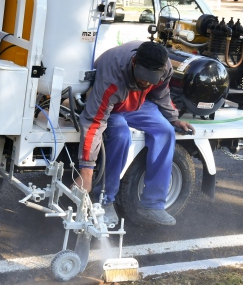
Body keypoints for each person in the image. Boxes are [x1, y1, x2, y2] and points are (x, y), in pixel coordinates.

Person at [75, 41, 195, 226]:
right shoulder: (111, 77)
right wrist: (86, 172)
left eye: (150, 79)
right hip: (112, 106)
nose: (146, 83)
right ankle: (104, 200)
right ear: (133, 63)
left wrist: (173, 118)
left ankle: (152, 205)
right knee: (121, 135)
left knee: (166, 131)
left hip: (138, 103)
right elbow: (94, 122)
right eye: (142, 78)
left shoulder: (164, 67)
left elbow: (161, 93)